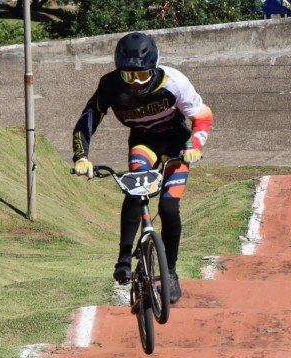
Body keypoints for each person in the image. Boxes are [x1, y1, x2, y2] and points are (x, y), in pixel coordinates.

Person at [71, 32, 213, 304]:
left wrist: (195, 144)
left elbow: (203, 116)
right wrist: (81, 158)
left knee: (170, 208)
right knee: (136, 190)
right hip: (143, 142)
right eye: (128, 76)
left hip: (175, 144)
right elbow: (86, 122)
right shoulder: (110, 85)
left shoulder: (175, 82)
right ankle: (124, 257)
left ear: (155, 66)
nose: (135, 83)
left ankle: (170, 271)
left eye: (142, 76)